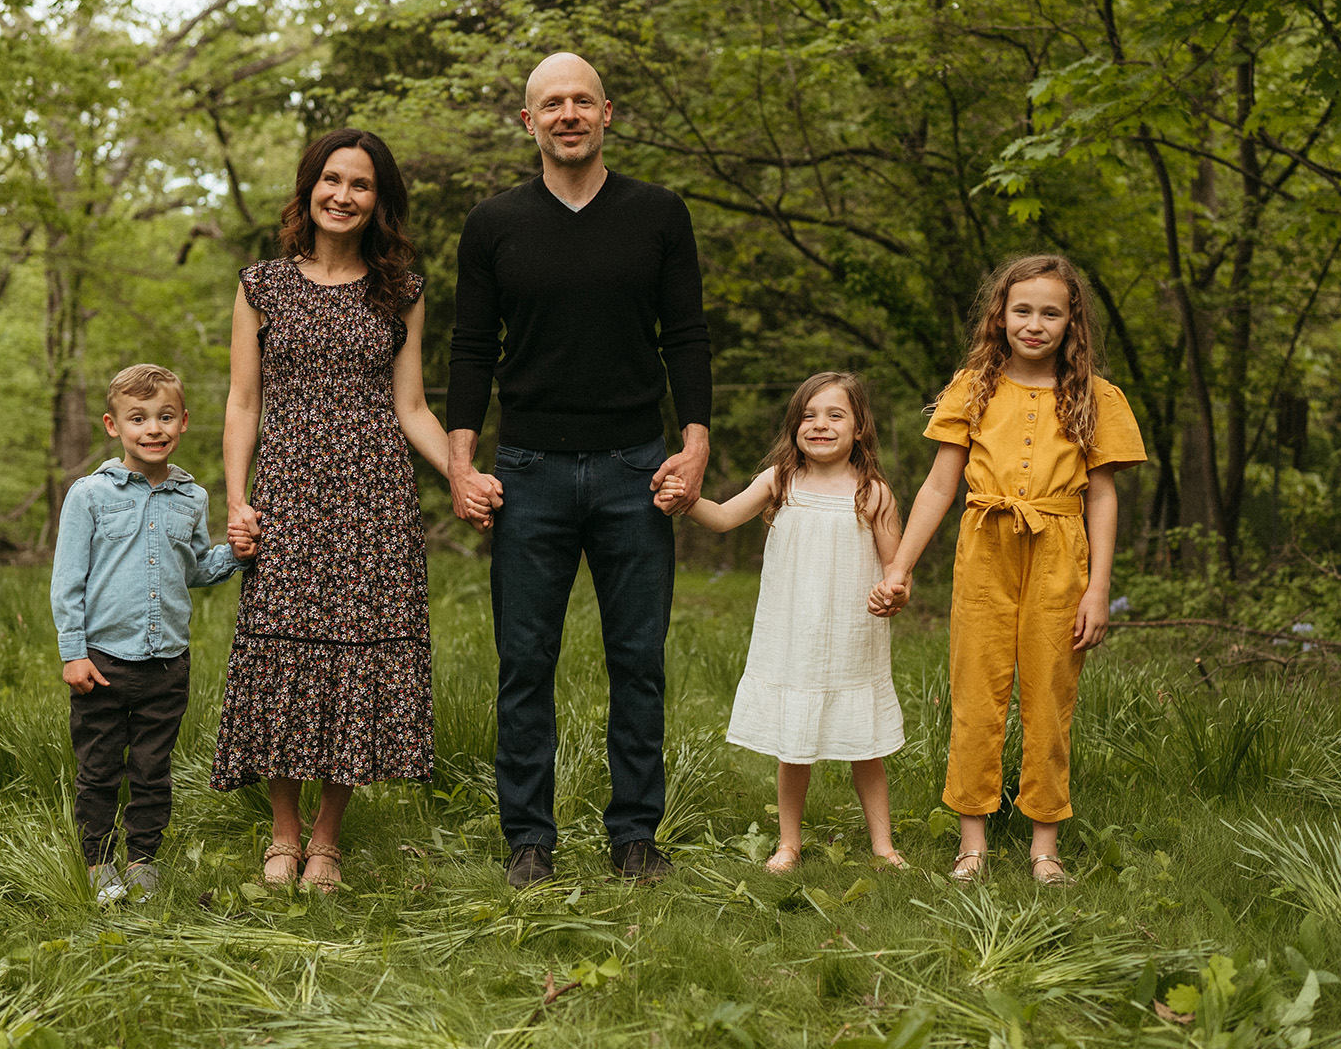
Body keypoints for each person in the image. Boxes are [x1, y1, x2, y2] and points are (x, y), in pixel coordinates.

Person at [445, 52, 712, 887]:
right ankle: (529, 839)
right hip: (528, 472)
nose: (568, 113)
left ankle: (636, 836)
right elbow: (470, 348)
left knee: (639, 659)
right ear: (528, 122)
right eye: (550, 103)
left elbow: (688, 336)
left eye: (581, 101)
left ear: (607, 113)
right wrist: (461, 461)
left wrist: (696, 444)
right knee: (526, 661)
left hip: (638, 469)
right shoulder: (494, 224)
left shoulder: (659, 214)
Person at [216, 129, 499, 892]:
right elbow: (244, 402)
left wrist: (462, 475)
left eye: (361, 185)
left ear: (380, 202)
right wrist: (238, 500)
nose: (343, 195)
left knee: (356, 659)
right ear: (309, 189)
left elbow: (412, 407)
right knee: (282, 653)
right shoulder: (262, 285)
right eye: (331, 180)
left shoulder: (400, 290)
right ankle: (281, 834)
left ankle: (328, 841)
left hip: (375, 502)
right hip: (289, 497)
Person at [868, 254, 1146, 886]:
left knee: (1050, 696)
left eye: (1051, 312)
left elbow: (1102, 496)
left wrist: (1098, 589)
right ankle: (973, 842)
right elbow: (941, 484)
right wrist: (901, 567)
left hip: (1059, 551)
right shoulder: (975, 386)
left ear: (1072, 321)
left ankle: (1044, 846)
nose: (1035, 324)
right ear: (1001, 315)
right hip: (985, 547)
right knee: (977, 694)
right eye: (1023, 310)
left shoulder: (1096, 397)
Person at [659, 373, 907, 874]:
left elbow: (895, 568)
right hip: (795, 632)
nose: (820, 425)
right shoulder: (781, 480)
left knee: (866, 742)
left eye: (836, 415)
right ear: (794, 427)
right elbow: (725, 517)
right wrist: (683, 499)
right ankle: (788, 844)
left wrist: (894, 593)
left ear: (860, 428)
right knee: (795, 744)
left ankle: (882, 844)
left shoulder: (874, 493)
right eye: (808, 417)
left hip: (852, 635)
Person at [51, 364, 248, 905]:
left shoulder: (192, 498)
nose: (152, 428)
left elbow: (195, 570)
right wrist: (73, 654)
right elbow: (67, 582)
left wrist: (236, 554)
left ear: (183, 422)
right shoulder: (89, 495)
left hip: (167, 664)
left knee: (152, 770)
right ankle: (97, 864)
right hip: (102, 663)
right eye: (138, 418)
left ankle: (142, 863)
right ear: (114, 426)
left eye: (164, 417)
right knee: (99, 769)